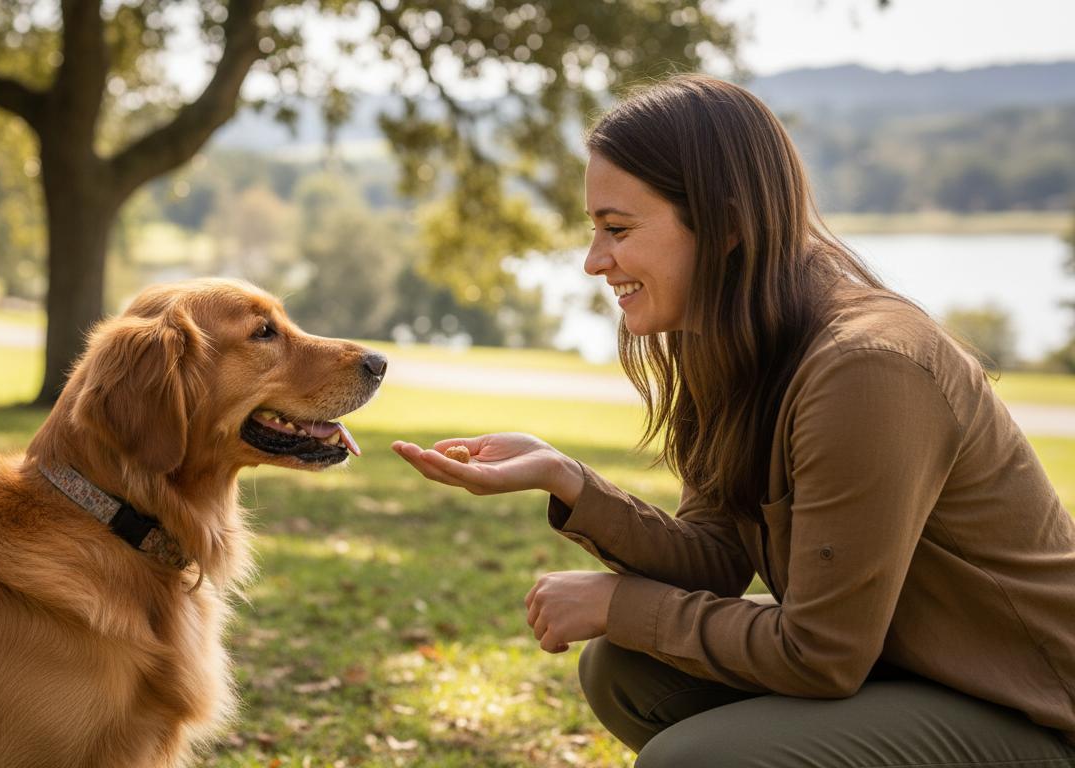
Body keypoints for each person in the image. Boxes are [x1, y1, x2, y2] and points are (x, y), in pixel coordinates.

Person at [391, 74, 1075, 767]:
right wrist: (565, 478)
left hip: (1034, 711)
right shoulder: (735, 341)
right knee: (625, 671)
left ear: (726, 226)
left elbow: (822, 653)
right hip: (910, 670)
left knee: (695, 758)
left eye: (617, 229)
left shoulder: (867, 369)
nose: (595, 261)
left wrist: (619, 604)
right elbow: (715, 559)